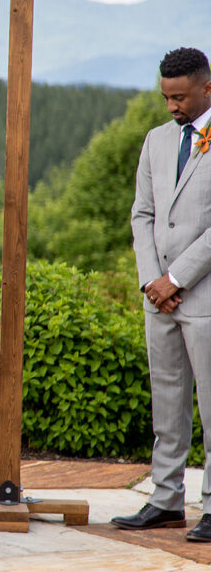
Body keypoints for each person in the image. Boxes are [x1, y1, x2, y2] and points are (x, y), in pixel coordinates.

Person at [113, 47, 211, 542]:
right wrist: (153, 280)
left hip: (204, 296)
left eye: (181, 97)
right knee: (166, 400)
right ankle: (166, 499)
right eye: (166, 97)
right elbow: (142, 214)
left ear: (206, 88)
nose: (172, 107)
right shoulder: (155, 141)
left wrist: (178, 278)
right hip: (161, 298)